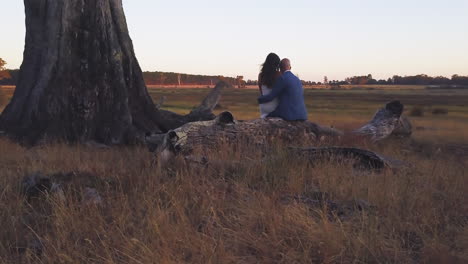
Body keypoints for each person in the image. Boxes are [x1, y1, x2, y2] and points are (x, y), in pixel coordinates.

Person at [258, 53, 281, 118]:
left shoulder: (261, 75)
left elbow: (261, 92)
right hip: (275, 106)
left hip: (263, 105)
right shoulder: (279, 74)